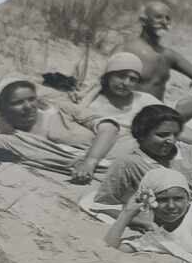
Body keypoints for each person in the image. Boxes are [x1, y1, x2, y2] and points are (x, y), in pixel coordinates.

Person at [0, 76, 96, 174]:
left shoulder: (57, 117)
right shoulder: (11, 139)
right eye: (17, 103)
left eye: (31, 99)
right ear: (2, 110)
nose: (28, 106)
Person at [76, 1, 192, 104]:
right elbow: (103, 81)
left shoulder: (168, 55)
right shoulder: (125, 48)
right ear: (143, 20)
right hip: (128, 110)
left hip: (156, 114)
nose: (164, 22)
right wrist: (85, 102)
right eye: (158, 17)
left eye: (167, 18)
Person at [69, 52, 164, 184]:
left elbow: (173, 123)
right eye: (121, 76)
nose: (126, 83)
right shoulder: (91, 101)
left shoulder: (144, 100)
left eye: (133, 79)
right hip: (106, 155)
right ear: (109, 75)